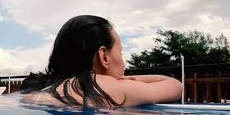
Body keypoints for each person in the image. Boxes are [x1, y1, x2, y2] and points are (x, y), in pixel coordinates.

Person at [21, 15, 182, 108]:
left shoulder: (43, 87)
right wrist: (125, 81)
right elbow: (175, 86)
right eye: (120, 52)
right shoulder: (107, 86)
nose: (123, 62)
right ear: (104, 56)